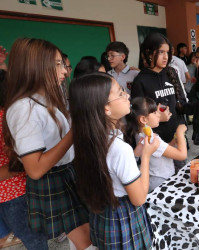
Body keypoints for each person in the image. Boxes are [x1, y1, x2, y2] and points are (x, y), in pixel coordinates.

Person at [3, 38, 92, 249]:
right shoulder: (24, 108)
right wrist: (73, 133)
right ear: (35, 66)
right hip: (53, 179)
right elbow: (34, 169)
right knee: (86, 241)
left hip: (67, 173)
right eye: (58, 64)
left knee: (84, 239)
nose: (64, 70)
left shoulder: (46, 98)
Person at [69, 73, 158, 249]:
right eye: (120, 93)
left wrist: (135, 154)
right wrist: (146, 156)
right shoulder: (119, 148)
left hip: (103, 215)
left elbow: (109, 170)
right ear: (105, 109)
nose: (127, 96)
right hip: (123, 219)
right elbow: (139, 198)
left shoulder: (88, 138)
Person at [132, 33, 199, 173]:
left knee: (181, 179)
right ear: (149, 53)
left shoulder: (171, 73)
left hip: (176, 140)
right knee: (162, 182)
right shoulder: (140, 80)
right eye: (161, 52)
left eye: (167, 52)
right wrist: (158, 118)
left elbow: (181, 105)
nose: (166, 57)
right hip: (156, 145)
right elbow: (138, 118)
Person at [0, 56, 48, 250]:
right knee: (35, 240)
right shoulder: (10, 116)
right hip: (17, 191)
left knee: (29, 239)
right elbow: (21, 161)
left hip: (7, 194)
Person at [125, 97, 187, 192]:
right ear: (143, 119)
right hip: (162, 183)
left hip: (156, 180)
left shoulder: (140, 134)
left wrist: (173, 142)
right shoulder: (151, 139)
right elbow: (182, 155)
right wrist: (180, 132)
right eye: (154, 112)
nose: (159, 114)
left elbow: (162, 151)